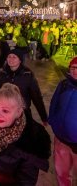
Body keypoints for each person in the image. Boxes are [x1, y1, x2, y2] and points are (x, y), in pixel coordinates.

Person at [0, 48, 48, 124]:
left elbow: (36, 97)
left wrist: (43, 117)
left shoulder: (27, 75)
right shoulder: (1, 74)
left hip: (22, 114)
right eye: (9, 57)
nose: (11, 59)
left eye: (14, 57)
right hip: (5, 113)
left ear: (20, 60)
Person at [49, 56, 77, 185]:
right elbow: (54, 103)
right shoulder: (64, 85)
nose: (75, 71)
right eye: (73, 67)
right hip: (61, 140)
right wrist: (53, 122)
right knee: (62, 173)